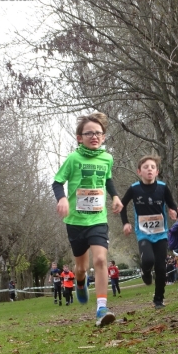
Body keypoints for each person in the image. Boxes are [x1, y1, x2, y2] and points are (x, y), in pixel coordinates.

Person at [52, 111, 123, 327]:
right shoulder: (74, 159)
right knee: (81, 268)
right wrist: (62, 199)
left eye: (98, 133)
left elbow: (108, 179)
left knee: (100, 259)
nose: (94, 136)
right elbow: (57, 182)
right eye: (89, 133)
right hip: (75, 220)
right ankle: (81, 283)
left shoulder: (107, 158)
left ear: (103, 137)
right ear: (79, 137)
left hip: (98, 219)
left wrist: (116, 196)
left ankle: (102, 307)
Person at [120, 155, 178, 309]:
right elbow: (122, 205)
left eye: (152, 167)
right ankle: (145, 272)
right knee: (148, 261)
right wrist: (125, 222)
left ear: (157, 171)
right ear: (139, 171)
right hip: (143, 233)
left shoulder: (163, 187)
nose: (149, 170)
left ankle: (158, 299)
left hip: (161, 233)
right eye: (146, 167)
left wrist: (173, 211)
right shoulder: (134, 189)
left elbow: (171, 203)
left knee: (161, 267)